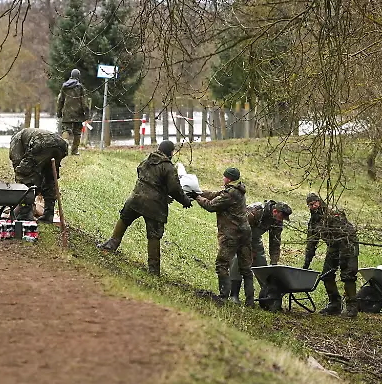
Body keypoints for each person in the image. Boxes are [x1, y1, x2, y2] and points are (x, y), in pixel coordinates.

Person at [96, 140, 193, 275]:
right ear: (170, 152)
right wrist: (185, 201)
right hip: (154, 205)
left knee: (124, 218)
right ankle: (153, 269)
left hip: (136, 197)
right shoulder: (167, 166)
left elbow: (140, 171)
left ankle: (112, 243)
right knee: (154, 234)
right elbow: (174, 188)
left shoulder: (147, 159)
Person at [195, 168, 254, 305]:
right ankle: (250, 301)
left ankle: (223, 297)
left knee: (222, 264)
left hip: (231, 235)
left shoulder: (230, 193)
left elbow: (211, 205)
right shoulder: (237, 190)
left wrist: (197, 198)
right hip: (245, 234)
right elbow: (214, 194)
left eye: (224, 176)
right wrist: (198, 192)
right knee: (246, 268)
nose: (223, 178)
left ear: (228, 178)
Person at [303, 193, 360, 318]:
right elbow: (311, 243)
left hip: (347, 242)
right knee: (326, 274)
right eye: (310, 205)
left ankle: (352, 307)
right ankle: (334, 304)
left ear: (319, 201)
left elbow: (344, 232)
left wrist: (343, 256)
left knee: (348, 275)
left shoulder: (333, 213)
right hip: (333, 246)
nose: (313, 206)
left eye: (314, 203)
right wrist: (306, 264)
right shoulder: (314, 221)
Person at [228, 200, 292, 302]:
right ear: (275, 211)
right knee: (237, 261)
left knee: (262, 266)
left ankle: (267, 295)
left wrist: (274, 263)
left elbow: (275, 242)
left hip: (255, 239)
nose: (282, 220)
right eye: (282, 217)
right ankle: (233, 295)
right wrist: (248, 250)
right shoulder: (255, 211)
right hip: (239, 236)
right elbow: (240, 229)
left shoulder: (277, 221)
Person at [8, 127, 69, 222]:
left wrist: (21, 183)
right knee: (50, 178)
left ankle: (25, 213)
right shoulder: (26, 135)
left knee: (24, 174)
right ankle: (48, 214)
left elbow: (17, 163)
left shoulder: (15, 140)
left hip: (42, 143)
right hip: (61, 144)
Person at [57, 68, 89, 155]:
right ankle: (74, 151)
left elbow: (60, 100)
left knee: (65, 130)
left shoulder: (64, 86)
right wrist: (86, 114)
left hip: (67, 113)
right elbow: (84, 102)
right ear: (78, 76)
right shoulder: (80, 87)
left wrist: (59, 111)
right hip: (78, 114)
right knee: (77, 132)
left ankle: (64, 149)